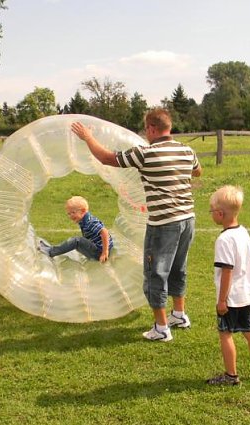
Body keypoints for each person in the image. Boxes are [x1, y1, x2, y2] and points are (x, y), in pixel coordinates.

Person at [71, 108, 202, 342]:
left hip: (163, 223)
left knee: (155, 273)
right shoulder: (186, 150)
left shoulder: (145, 153)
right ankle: (179, 315)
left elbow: (107, 158)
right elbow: (197, 172)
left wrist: (88, 137)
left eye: (146, 130)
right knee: (177, 268)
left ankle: (162, 329)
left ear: (152, 129)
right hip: (187, 219)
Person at [205, 185, 250, 386]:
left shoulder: (224, 240)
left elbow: (227, 272)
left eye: (211, 211)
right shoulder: (243, 232)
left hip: (232, 297)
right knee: (249, 330)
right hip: (247, 294)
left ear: (219, 213)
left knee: (225, 334)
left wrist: (222, 300)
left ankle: (231, 375)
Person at [38, 195, 113, 262]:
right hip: (97, 249)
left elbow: (104, 231)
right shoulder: (84, 219)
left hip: (99, 252)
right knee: (77, 241)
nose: (70, 216)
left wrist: (105, 252)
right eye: (69, 213)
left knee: (77, 241)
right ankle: (52, 249)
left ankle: (51, 251)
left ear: (83, 211)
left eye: (73, 213)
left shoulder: (90, 221)